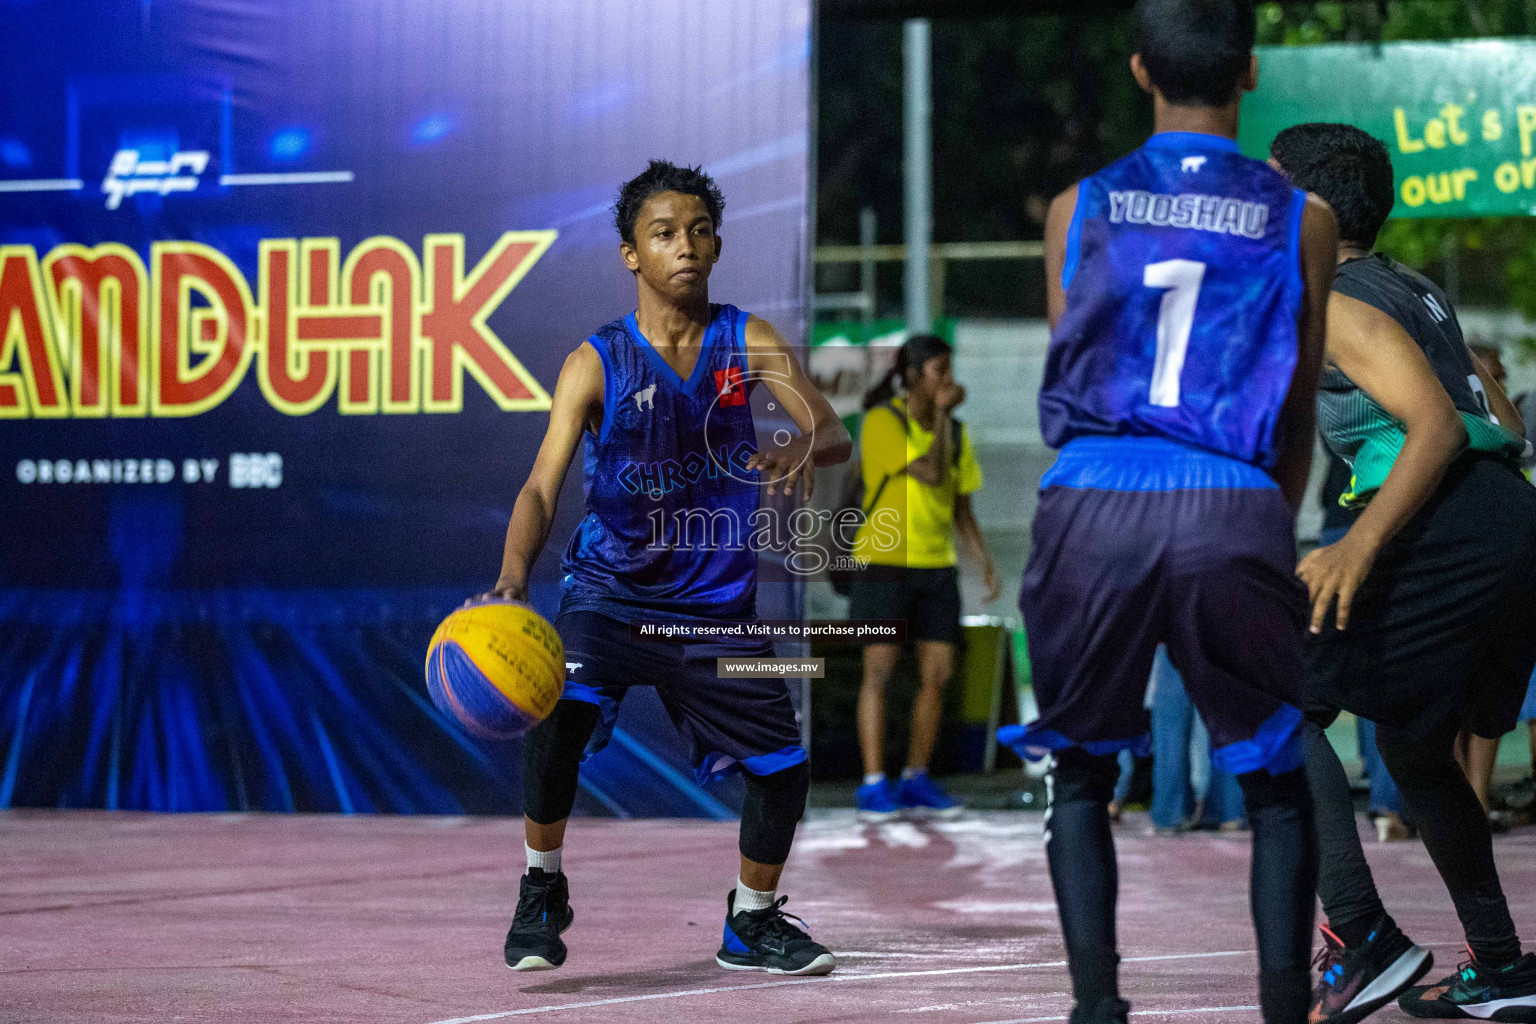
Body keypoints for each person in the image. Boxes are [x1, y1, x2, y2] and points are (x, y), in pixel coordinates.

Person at [997, 0, 1339, 1020]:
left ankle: (1097, 1008)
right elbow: (1295, 392)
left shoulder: (1077, 205)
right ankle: (1285, 1005)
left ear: (1142, 71)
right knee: (1278, 778)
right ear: (1251, 73)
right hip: (1230, 495)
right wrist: (1263, 520)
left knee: (1083, 775)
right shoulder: (1302, 217)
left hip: (1094, 490)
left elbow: (1084, 351)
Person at [488, 161, 851, 976]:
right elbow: (541, 486)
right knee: (558, 717)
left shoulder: (745, 338)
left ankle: (750, 923)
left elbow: (828, 428)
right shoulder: (597, 362)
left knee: (784, 770)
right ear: (630, 254)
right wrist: (514, 576)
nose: (683, 246)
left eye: (697, 231)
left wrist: (800, 440)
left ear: (716, 244)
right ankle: (541, 887)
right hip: (610, 596)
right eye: (662, 233)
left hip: (714, 610)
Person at [1270, 122, 1536, 1022]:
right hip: (1507, 516)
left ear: (1305, 206)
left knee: (1275, 700)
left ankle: (1360, 933)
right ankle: (1500, 966)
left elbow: (1440, 426)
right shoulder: (1416, 291)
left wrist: (1358, 540)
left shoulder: (1336, 298)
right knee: (1415, 748)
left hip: (1443, 517)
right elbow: (1499, 414)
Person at [847, 334, 1000, 821]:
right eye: (938, 371)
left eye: (949, 369)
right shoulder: (881, 421)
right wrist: (940, 418)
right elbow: (930, 473)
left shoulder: (956, 432)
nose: (949, 380)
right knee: (880, 673)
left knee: (938, 674)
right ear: (912, 376)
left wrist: (984, 563)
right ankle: (873, 784)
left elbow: (961, 508)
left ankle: (916, 776)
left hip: (938, 567)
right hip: (883, 563)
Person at [1148, 646, 1245, 834]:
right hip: (1224, 629)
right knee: (1227, 723)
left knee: (1170, 730)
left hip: (1172, 632)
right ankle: (1227, 812)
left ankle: (1170, 814)